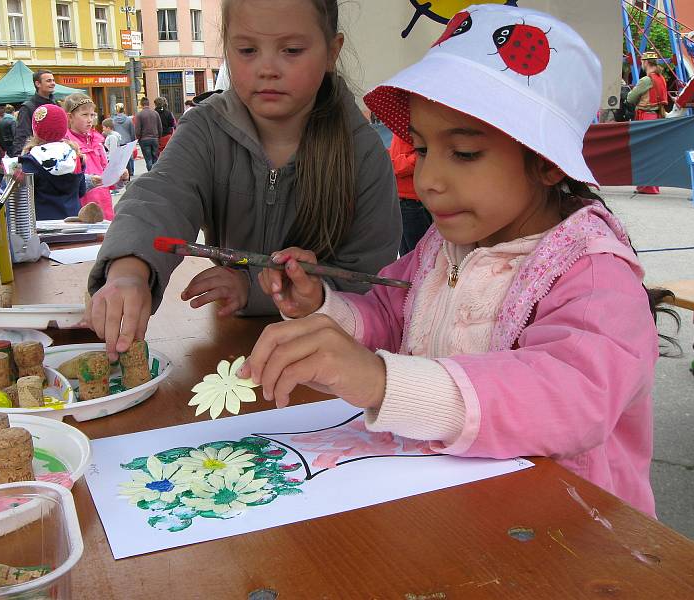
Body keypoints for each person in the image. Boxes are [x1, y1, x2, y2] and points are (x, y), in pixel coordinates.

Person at [241, 4, 671, 517]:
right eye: (421, 150)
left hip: (572, 534)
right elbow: (388, 313)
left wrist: (380, 381)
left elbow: (571, 397)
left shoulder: (592, 271)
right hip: (455, 511)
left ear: (548, 162)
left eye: (463, 153)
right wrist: (323, 308)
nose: (428, 181)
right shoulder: (440, 248)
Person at [86, 0, 401, 361]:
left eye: (292, 50)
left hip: (329, 360)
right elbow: (161, 197)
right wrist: (129, 271)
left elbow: (367, 280)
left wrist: (254, 289)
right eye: (247, 50)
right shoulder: (204, 129)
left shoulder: (361, 151)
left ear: (332, 52)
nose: (267, 68)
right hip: (229, 354)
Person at [19, 104, 86, 220]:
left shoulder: (31, 160)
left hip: (43, 222)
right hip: (73, 220)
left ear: (35, 130)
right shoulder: (75, 156)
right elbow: (81, 191)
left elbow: (23, 197)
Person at [64, 93, 124, 220]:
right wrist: (90, 180)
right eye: (84, 115)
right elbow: (67, 182)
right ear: (70, 117)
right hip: (82, 209)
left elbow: (108, 177)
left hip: (103, 206)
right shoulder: (66, 145)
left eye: (92, 115)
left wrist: (119, 176)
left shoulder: (97, 142)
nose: (90, 119)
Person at [626, 52, 668, 194]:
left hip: (645, 118)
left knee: (644, 152)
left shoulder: (646, 80)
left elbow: (631, 98)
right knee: (653, 153)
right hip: (657, 117)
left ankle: (645, 186)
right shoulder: (661, 78)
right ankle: (653, 186)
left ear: (645, 62)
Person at [390, 133, 431, 255]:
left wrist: (395, 165)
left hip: (412, 200)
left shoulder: (415, 125)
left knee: (419, 254)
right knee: (406, 254)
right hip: (400, 197)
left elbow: (424, 155)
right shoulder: (399, 126)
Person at [10, 69, 56, 156]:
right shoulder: (28, 107)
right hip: (37, 155)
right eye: (48, 81)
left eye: (53, 80)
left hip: (56, 153)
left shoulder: (56, 105)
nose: (53, 83)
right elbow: (22, 135)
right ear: (38, 84)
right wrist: (20, 156)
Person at [135, 97, 161, 171]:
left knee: (148, 159)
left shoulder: (139, 115)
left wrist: (138, 138)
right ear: (148, 104)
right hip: (155, 138)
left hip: (144, 139)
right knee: (155, 158)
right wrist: (158, 137)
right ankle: (156, 173)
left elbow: (137, 129)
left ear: (141, 104)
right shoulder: (155, 113)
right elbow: (160, 127)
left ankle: (150, 174)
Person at [111, 102, 136, 179]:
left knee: (120, 159)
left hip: (118, 142)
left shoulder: (113, 121)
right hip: (128, 141)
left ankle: (122, 172)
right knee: (128, 157)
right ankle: (131, 171)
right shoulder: (129, 120)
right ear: (123, 109)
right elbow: (132, 131)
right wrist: (133, 141)